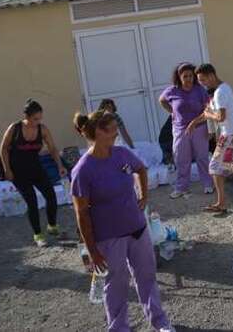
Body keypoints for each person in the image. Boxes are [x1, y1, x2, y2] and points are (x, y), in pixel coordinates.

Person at [71, 110, 175, 332]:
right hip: (108, 238)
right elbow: (81, 214)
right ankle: (118, 328)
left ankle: (160, 322)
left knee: (147, 277)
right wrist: (92, 251)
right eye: (112, 131)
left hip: (137, 229)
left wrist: (143, 195)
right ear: (99, 132)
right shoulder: (83, 170)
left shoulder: (121, 154)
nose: (116, 135)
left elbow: (140, 169)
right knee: (116, 285)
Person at [0, 99, 66, 247]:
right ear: (27, 116)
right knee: (32, 202)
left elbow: (52, 148)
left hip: (36, 169)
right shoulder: (15, 128)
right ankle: (38, 235)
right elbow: (3, 148)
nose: (38, 122)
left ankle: (52, 226)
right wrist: (7, 169)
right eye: (35, 119)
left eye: (40, 118)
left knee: (51, 196)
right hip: (18, 172)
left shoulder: (43, 129)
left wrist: (59, 165)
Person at [194, 63, 233, 215]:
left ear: (211, 76)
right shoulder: (225, 87)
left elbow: (220, 117)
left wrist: (208, 115)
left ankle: (221, 204)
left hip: (230, 136)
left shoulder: (220, 93)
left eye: (203, 80)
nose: (202, 84)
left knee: (214, 167)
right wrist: (194, 122)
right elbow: (212, 112)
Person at [158, 63, 214, 199]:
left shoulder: (199, 90)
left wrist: (207, 126)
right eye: (185, 76)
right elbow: (162, 100)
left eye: (190, 76)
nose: (188, 79)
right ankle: (181, 187)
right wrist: (172, 112)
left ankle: (208, 184)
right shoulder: (172, 90)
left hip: (199, 128)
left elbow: (208, 109)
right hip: (180, 129)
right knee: (181, 159)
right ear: (179, 77)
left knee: (202, 157)